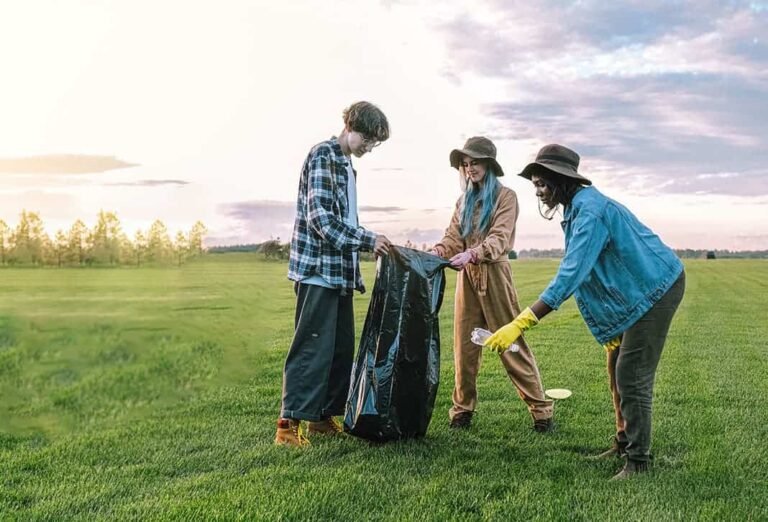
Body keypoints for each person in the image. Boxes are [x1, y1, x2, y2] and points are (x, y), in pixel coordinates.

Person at [484, 144, 685, 480]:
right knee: (615, 365)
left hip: (656, 288)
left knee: (632, 375)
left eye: (542, 184)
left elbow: (572, 274)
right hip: (636, 292)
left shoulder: (590, 212)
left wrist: (520, 323)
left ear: (562, 180)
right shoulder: (576, 209)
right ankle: (623, 441)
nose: (539, 192)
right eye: (535, 184)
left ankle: (638, 463)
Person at [275, 101, 392, 447]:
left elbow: (346, 221)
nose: (369, 147)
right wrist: (368, 240)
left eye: (374, 143)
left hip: (339, 274)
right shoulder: (324, 155)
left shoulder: (346, 166)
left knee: (339, 350)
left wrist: (370, 238)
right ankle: (287, 425)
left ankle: (322, 418)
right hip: (317, 272)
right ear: (350, 125)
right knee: (311, 349)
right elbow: (321, 219)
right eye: (368, 139)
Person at [431, 136, 554, 432]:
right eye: (465, 163)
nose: (469, 168)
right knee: (464, 347)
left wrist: (474, 253)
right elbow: (452, 237)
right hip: (467, 280)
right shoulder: (463, 201)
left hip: (495, 274)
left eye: (475, 162)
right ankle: (462, 410)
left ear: (488, 164)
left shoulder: (506, 197)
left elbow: (500, 237)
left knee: (510, 343)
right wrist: (438, 252)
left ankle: (541, 411)